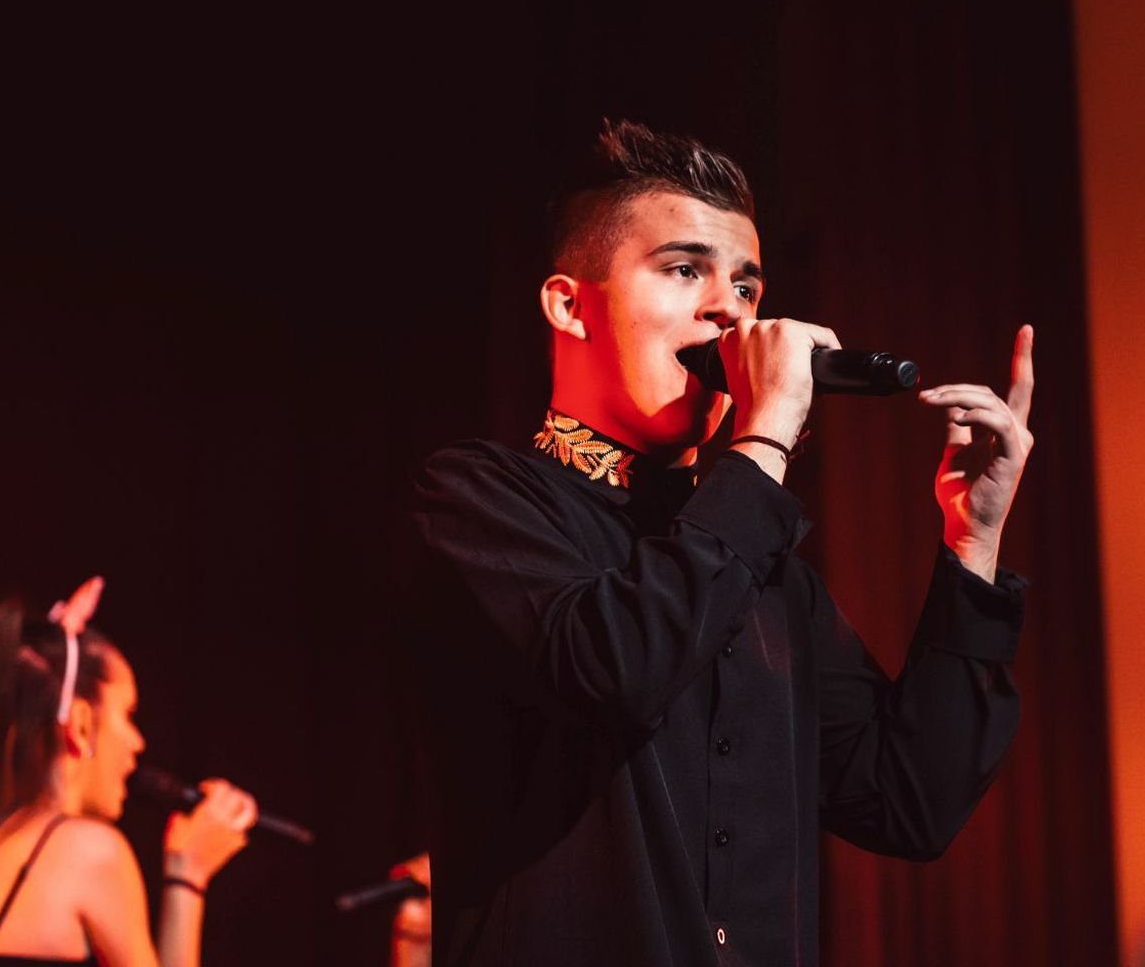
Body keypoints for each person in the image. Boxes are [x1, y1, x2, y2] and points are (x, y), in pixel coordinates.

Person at [410, 120, 1035, 966]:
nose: (728, 308)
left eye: (746, 285)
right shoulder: (479, 499)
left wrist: (973, 542)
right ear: (569, 305)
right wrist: (765, 436)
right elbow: (615, 667)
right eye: (684, 269)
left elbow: (908, 803)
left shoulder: (764, 570)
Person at [0, 577, 258, 967]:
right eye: (127, 714)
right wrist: (187, 874)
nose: (138, 742)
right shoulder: (89, 854)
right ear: (81, 724)